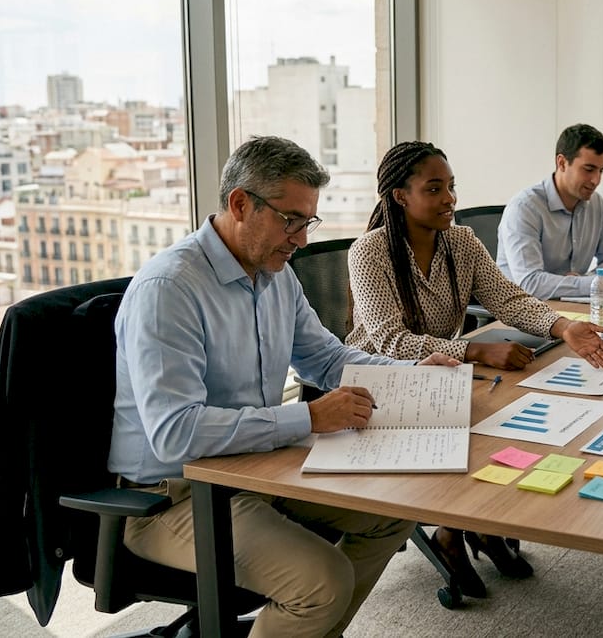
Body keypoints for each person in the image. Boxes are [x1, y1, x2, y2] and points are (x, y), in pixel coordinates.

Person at [108, 136, 460, 638]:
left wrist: (409, 374)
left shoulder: (274, 275)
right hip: (173, 497)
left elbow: (326, 357)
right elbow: (175, 434)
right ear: (239, 204)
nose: (302, 240)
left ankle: (307, 630)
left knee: (395, 510)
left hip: (256, 470)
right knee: (322, 582)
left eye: (307, 222)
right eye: (290, 220)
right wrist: (311, 418)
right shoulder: (170, 291)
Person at [348, 140, 603, 598]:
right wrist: (473, 353)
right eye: (434, 189)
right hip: (383, 383)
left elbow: (507, 299)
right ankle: (453, 531)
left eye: (451, 187)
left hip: (445, 374)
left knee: (519, 406)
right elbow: (390, 342)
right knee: (484, 419)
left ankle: (485, 525)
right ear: (400, 197)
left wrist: (564, 325)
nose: (450, 199)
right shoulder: (369, 252)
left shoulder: (462, 241)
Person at [498, 123, 603, 299]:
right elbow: (530, 283)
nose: (596, 180)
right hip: (524, 313)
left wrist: (588, 281)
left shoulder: (596, 204)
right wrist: (598, 284)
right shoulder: (524, 208)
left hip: (570, 309)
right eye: (588, 170)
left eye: (601, 171)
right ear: (562, 163)